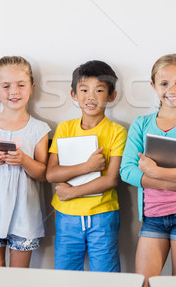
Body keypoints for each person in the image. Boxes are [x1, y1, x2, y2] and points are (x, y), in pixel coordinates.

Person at [120, 53, 176, 286]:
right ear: (153, 86)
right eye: (164, 83)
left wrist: (155, 171)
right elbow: (127, 171)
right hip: (153, 217)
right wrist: (174, 182)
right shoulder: (141, 125)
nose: (173, 89)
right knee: (145, 282)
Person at [46, 60, 127, 271]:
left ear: (111, 96)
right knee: (66, 275)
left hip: (102, 216)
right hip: (67, 217)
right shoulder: (64, 129)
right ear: (74, 94)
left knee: (106, 276)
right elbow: (51, 174)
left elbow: (111, 179)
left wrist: (72, 192)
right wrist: (88, 166)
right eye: (84, 90)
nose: (91, 97)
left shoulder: (117, 132)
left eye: (99, 90)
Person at [0, 56, 50, 267]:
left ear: (31, 87)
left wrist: (24, 160)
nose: (13, 92)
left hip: (25, 216)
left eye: (20, 85)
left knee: (17, 279)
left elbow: (44, 174)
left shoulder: (39, 129)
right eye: (6, 86)